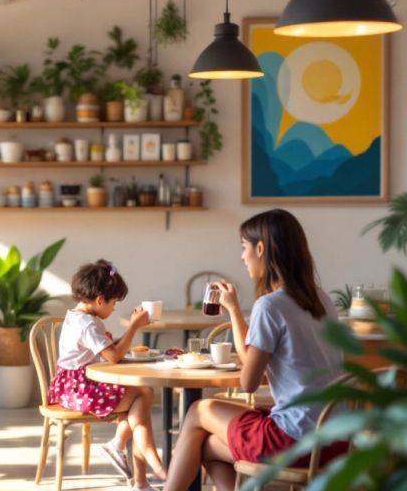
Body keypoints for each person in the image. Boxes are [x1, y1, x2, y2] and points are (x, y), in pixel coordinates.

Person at [164, 209, 347, 491]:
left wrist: (235, 311)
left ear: (260, 248)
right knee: (207, 446)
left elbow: (248, 383)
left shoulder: (271, 305)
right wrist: (235, 310)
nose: (241, 257)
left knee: (199, 411)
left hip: (295, 441)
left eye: (243, 247)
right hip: (337, 438)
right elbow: (260, 369)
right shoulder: (322, 299)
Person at [51, 260, 167, 491]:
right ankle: (146, 464)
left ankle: (140, 474)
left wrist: (128, 331)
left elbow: (108, 350)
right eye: (113, 302)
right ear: (100, 299)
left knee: (140, 404)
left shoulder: (80, 317)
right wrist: (134, 327)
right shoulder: (87, 325)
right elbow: (113, 357)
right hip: (79, 390)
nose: (114, 308)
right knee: (143, 396)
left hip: (74, 385)